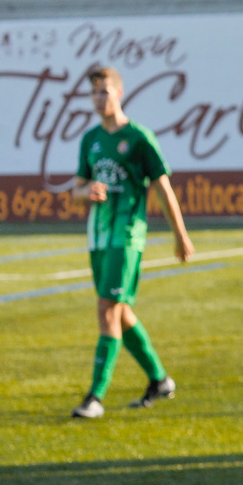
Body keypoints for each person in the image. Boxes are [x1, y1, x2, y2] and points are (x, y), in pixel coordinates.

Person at [66, 64, 194, 419]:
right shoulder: (90, 139)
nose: (98, 98)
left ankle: (95, 396)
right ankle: (159, 379)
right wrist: (84, 191)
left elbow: (163, 187)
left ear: (119, 93)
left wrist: (180, 235)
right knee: (119, 313)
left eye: (104, 91)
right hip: (98, 236)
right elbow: (75, 189)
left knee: (106, 307)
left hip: (127, 233)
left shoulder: (138, 138)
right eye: (93, 92)